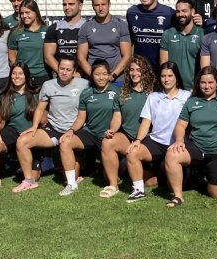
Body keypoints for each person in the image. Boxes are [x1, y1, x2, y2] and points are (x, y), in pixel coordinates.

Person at [12, 56, 90, 193]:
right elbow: (41, 108)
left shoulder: (84, 84)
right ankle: (29, 181)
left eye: (68, 69)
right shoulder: (48, 85)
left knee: (68, 178)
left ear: (74, 71)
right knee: (22, 141)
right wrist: (34, 127)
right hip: (54, 129)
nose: (64, 72)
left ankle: (74, 174)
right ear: (57, 69)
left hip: (75, 131)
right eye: (61, 69)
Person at [163, 66, 217, 207]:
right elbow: (180, 125)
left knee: (216, 194)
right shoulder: (192, 102)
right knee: (172, 154)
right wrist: (179, 140)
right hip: (197, 147)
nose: (207, 86)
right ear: (198, 84)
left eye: (210, 82)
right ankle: (178, 197)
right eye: (203, 82)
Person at [124, 62, 190, 202]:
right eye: (163, 76)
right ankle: (138, 190)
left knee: (171, 188)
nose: (166, 79)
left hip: (176, 144)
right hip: (156, 142)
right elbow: (146, 123)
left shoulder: (187, 96)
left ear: (176, 77)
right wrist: (137, 141)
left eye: (170, 76)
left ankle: (177, 177)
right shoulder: (153, 97)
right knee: (132, 153)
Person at [56, 60, 120, 196]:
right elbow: (81, 118)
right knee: (65, 142)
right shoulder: (86, 93)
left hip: (109, 136)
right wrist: (71, 130)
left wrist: (113, 129)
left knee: (108, 178)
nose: (101, 77)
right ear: (92, 75)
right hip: (90, 133)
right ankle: (71, 184)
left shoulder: (117, 92)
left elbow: (117, 116)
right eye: (97, 74)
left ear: (109, 75)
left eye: (104, 74)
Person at [99, 56, 155, 198]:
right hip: (127, 137)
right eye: (131, 70)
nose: (134, 73)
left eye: (138, 70)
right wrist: (112, 129)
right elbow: (117, 117)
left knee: (149, 182)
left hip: (148, 140)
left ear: (145, 72)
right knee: (107, 142)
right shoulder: (123, 92)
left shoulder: (153, 92)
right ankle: (113, 185)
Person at [0, 61, 37, 191]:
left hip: (32, 134)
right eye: (14, 73)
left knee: (35, 176)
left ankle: (43, 160)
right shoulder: (4, 95)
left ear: (27, 76)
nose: (17, 76)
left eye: (21, 74)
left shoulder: (35, 94)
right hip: (13, 131)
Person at [77, 0, 132, 84]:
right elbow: (81, 57)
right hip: (94, 79)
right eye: (97, 5)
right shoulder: (86, 27)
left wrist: (113, 75)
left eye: (103, 4)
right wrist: (95, 75)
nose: (100, 8)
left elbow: (127, 56)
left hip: (117, 78)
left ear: (109, 4)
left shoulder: (120, 25)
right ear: (93, 6)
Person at [126, 0, 175, 70]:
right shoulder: (132, 12)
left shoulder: (169, 14)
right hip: (139, 70)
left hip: (161, 70)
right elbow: (129, 41)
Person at [160, 0, 204, 90]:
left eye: (184, 11)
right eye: (178, 11)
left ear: (192, 12)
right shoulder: (168, 34)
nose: (180, 14)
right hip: (174, 89)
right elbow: (163, 63)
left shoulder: (202, 35)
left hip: (195, 89)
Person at [44, 0, 88, 77]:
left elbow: (93, 54)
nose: (67, 7)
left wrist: (80, 74)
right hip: (62, 77)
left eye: (71, 4)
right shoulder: (54, 28)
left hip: (85, 77)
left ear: (80, 6)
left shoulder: (89, 27)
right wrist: (64, 73)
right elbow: (48, 56)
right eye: (64, 4)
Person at [7, 0, 49, 88]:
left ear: (36, 12)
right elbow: (11, 56)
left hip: (43, 76)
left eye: (27, 12)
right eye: (22, 13)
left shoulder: (47, 30)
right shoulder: (16, 32)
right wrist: (20, 71)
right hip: (23, 78)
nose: (24, 16)